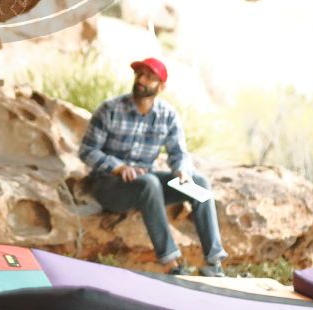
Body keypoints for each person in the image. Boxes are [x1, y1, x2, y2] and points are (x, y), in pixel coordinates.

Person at [78, 57, 228, 276]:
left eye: (149, 77)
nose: (141, 80)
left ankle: (213, 263)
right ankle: (171, 264)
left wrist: (182, 172)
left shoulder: (167, 116)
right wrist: (118, 168)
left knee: (200, 184)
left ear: (161, 86)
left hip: (146, 188)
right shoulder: (110, 109)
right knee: (149, 183)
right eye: (139, 74)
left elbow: (178, 154)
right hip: (108, 186)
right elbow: (87, 151)